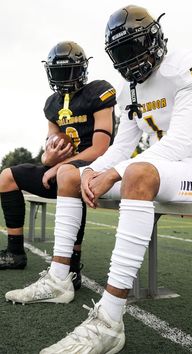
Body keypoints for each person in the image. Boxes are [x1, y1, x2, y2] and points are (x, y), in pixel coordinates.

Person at [12, 4, 192, 353]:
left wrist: (114, 172)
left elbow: (180, 144)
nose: (130, 60)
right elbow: (120, 146)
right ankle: (59, 278)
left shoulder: (186, 66)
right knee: (68, 174)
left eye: (134, 47)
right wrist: (92, 171)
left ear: (154, 39)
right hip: (156, 170)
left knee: (137, 171)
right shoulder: (129, 91)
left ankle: (109, 321)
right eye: (122, 52)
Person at [1, 41, 116, 294]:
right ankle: (15, 251)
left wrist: (58, 166)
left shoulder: (98, 92)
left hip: (95, 169)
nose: (64, 78)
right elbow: (46, 156)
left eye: (69, 71)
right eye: (59, 73)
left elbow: (100, 149)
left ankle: (71, 267)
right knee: (7, 177)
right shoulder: (53, 103)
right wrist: (49, 159)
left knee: (68, 177)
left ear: (82, 70)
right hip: (65, 168)